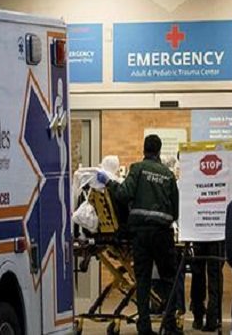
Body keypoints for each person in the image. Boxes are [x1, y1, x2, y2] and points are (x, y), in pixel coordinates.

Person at [97, 134, 181, 335]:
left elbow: (123, 194)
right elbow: (175, 211)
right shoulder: (168, 175)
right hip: (162, 234)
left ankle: (144, 327)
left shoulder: (137, 169)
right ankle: (170, 326)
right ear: (159, 151)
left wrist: (108, 183)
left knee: (143, 280)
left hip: (141, 234)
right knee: (169, 279)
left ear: (144, 150)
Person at [190, 240, 225, 331]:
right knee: (215, 274)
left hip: (199, 235)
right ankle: (213, 318)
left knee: (198, 273)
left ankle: (198, 316)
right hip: (217, 237)